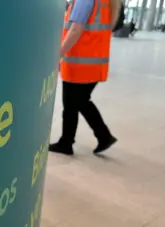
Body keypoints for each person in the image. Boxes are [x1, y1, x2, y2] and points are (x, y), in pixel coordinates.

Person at [49, 0, 120, 155]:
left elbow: (75, 29)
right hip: (94, 62)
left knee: (74, 103)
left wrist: (57, 55)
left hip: (80, 62)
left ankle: (100, 136)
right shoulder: (107, 2)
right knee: (77, 103)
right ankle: (71, 141)